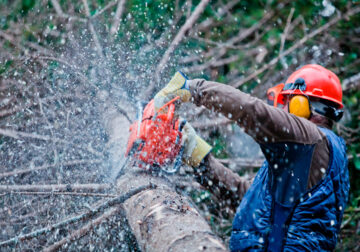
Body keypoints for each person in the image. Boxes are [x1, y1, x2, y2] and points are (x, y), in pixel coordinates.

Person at [154, 64, 350, 251]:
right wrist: (201, 160)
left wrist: (192, 88)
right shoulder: (310, 152)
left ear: (302, 105)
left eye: (288, 102)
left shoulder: (310, 139)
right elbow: (253, 203)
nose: (283, 110)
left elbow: (254, 112)